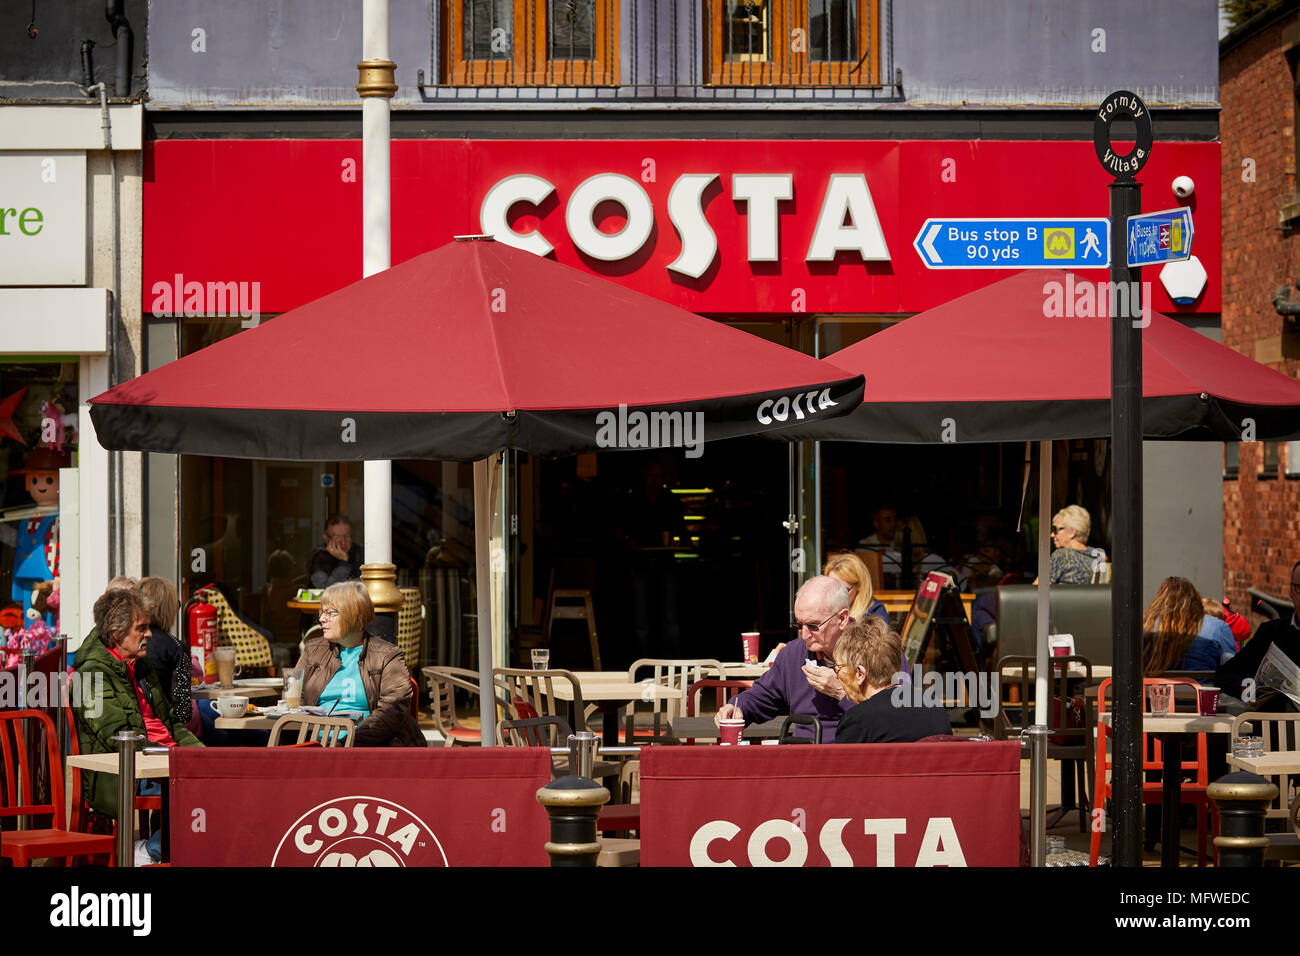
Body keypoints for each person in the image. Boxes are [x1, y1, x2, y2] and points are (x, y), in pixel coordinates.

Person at [73, 586, 203, 864]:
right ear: (118, 634)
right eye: (140, 628)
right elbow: (115, 735)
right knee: (198, 787)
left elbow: (171, 723)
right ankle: (150, 852)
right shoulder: (90, 676)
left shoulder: (141, 666)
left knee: (219, 776)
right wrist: (174, 756)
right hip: (123, 775)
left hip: (162, 760)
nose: (149, 634)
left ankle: (169, 851)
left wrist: (202, 753)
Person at [713, 576, 855, 742]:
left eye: (813, 625)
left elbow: (888, 718)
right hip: (803, 757)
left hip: (854, 756)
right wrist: (738, 707)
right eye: (799, 625)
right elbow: (764, 695)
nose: (805, 634)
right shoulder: (794, 653)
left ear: (842, 619)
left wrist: (841, 693)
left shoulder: (874, 652)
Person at [294, 580, 426, 747]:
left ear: (354, 615)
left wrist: (346, 743)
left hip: (368, 749)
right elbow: (293, 699)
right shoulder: (313, 650)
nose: (321, 619)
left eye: (330, 613)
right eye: (322, 612)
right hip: (315, 746)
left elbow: (392, 711)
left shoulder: (387, 655)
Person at [833, 617, 952, 743]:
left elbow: (842, 762)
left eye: (838, 668)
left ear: (860, 673)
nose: (836, 675)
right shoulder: (933, 705)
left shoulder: (858, 720)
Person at [1216, 559, 1300, 707]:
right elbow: (1225, 674)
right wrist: (1247, 689)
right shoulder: (1271, 632)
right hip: (1271, 726)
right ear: (1291, 591)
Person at [138, 576, 199, 737]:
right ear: (168, 609)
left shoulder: (122, 642)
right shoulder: (177, 647)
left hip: (129, 733)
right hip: (161, 736)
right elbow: (183, 712)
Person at [1141, 576, 1237, 675]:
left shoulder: (1146, 625)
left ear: (1159, 600)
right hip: (1203, 687)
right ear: (1196, 599)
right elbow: (1231, 667)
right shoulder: (1218, 627)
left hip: (1154, 689)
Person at [1042, 505, 1105, 585]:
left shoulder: (1062, 556)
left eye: (1055, 529)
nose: (1052, 535)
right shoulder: (1097, 556)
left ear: (1072, 532)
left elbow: (1037, 591)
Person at [823, 551, 888, 622]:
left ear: (859, 585)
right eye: (831, 588)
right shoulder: (823, 608)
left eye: (843, 590)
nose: (836, 595)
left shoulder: (875, 613)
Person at [307, 514, 364, 589]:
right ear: (326, 539)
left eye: (347, 536)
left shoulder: (359, 552)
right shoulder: (318, 557)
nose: (343, 542)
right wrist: (344, 563)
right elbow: (325, 590)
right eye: (337, 537)